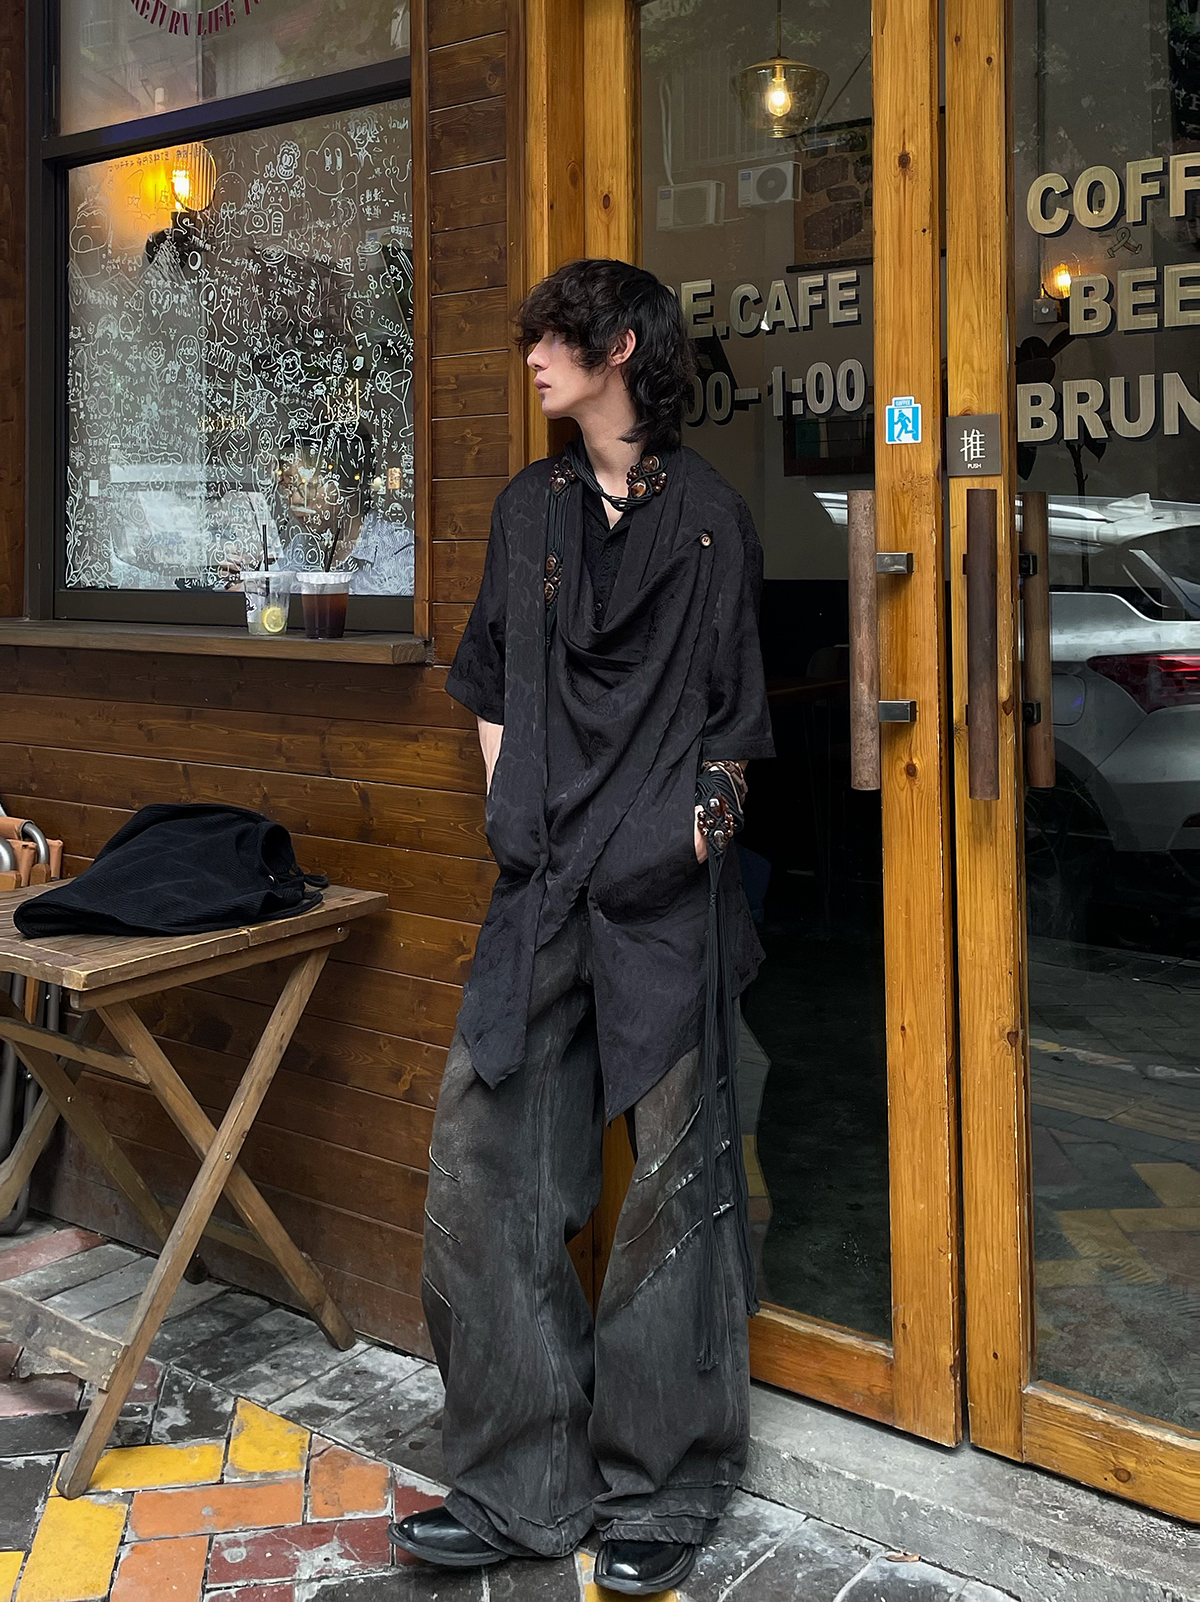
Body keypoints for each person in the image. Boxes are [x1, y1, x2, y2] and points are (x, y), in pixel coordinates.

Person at [388, 259, 773, 1596]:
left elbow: (732, 726)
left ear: (618, 348)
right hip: (544, 881)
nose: (533, 358)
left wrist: (689, 839)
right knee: (481, 1157)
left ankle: (663, 1483)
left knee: (676, 1181)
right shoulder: (531, 509)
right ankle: (518, 1480)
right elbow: (491, 678)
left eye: (554, 337)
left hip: (663, 895)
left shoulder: (712, 520)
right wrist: (520, 817)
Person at [274, 423, 415, 594]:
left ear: (351, 486)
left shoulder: (399, 552)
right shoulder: (300, 547)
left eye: (309, 487)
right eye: (287, 487)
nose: (295, 500)